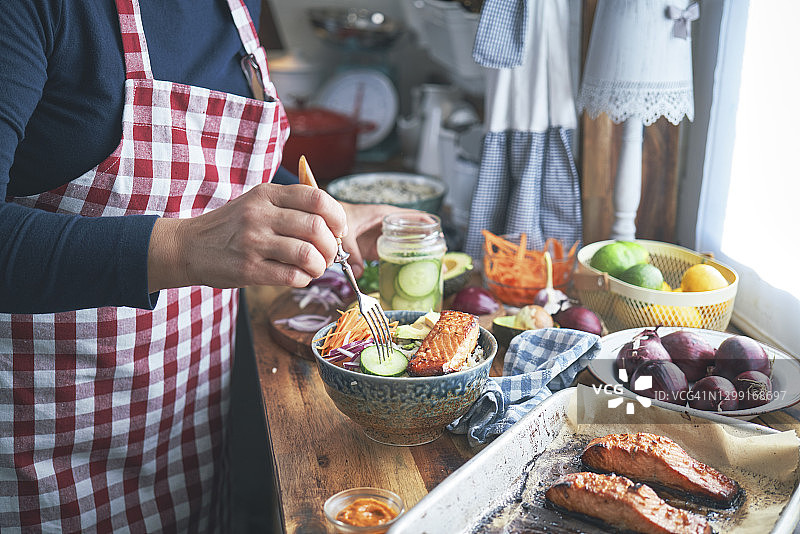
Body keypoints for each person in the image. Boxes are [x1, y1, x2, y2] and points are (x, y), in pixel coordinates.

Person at [0, 1, 403, 531]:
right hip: (45, 454)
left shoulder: (238, 7)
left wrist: (325, 216)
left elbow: (225, 170)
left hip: (186, 439)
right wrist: (182, 248)